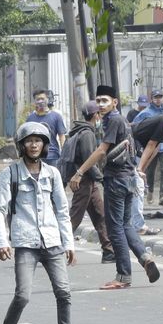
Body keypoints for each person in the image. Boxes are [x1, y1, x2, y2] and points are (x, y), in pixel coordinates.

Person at [0, 123, 88, 324]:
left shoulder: (52, 174)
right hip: (25, 242)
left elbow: (63, 211)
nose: (34, 145)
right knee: (23, 295)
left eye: (38, 140)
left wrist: (69, 244)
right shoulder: (10, 174)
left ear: (44, 145)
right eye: (29, 141)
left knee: (64, 292)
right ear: (22, 145)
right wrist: (1, 241)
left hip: (52, 241)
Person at [67, 84, 159, 290]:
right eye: (98, 101)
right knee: (126, 225)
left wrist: (80, 172)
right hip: (127, 179)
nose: (100, 104)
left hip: (117, 180)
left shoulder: (115, 120)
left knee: (115, 228)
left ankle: (123, 276)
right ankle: (145, 258)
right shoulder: (119, 120)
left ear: (114, 102)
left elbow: (101, 150)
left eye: (104, 101)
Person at [64, 101, 113, 263]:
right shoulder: (87, 134)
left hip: (88, 182)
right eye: (99, 114)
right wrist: (102, 179)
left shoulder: (81, 131)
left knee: (100, 215)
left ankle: (108, 251)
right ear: (95, 115)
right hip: (83, 181)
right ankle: (53, 250)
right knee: (74, 218)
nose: (101, 117)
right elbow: (89, 161)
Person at [133, 90, 163, 205]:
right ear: (152, 99)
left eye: (160, 97)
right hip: (150, 146)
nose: (158, 99)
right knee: (151, 171)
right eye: (156, 97)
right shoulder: (145, 113)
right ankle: (150, 191)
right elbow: (137, 127)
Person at [25, 89, 67, 165]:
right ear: (34, 101)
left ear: (47, 100)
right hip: (35, 156)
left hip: (52, 156)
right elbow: (26, 137)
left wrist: (64, 154)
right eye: (38, 99)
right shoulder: (30, 119)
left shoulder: (56, 116)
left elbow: (62, 137)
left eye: (42, 99)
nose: (40, 101)